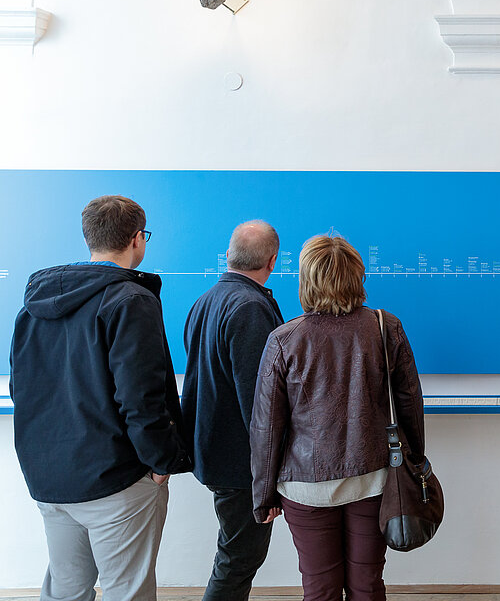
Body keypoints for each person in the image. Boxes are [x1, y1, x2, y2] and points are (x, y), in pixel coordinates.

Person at [9, 195, 192, 601]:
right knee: (127, 592)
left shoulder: (32, 307)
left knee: (66, 592)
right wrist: (162, 462)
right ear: (136, 239)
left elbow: (21, 388)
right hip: (116, 479)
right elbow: (140, 398)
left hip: (50, 479)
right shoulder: (131, 300)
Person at [249, 234, 426, 601]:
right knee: (367, 585)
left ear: (306, 280)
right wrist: (414, 464)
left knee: (320, 589)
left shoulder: (284, 339)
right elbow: (410, 403)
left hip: (304, 485)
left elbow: (266, 429)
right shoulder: (384, 327)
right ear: (357, 277)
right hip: (374, 479)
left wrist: (262, 496)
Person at [182, 221, 285, 600]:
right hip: (239, 465)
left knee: (236, 555)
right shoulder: (251, 308)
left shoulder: (205, 301)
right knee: (238, 559)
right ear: (272, 260)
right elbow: (259, 403)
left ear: (231, 254)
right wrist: (267, 479)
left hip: (214, 452)